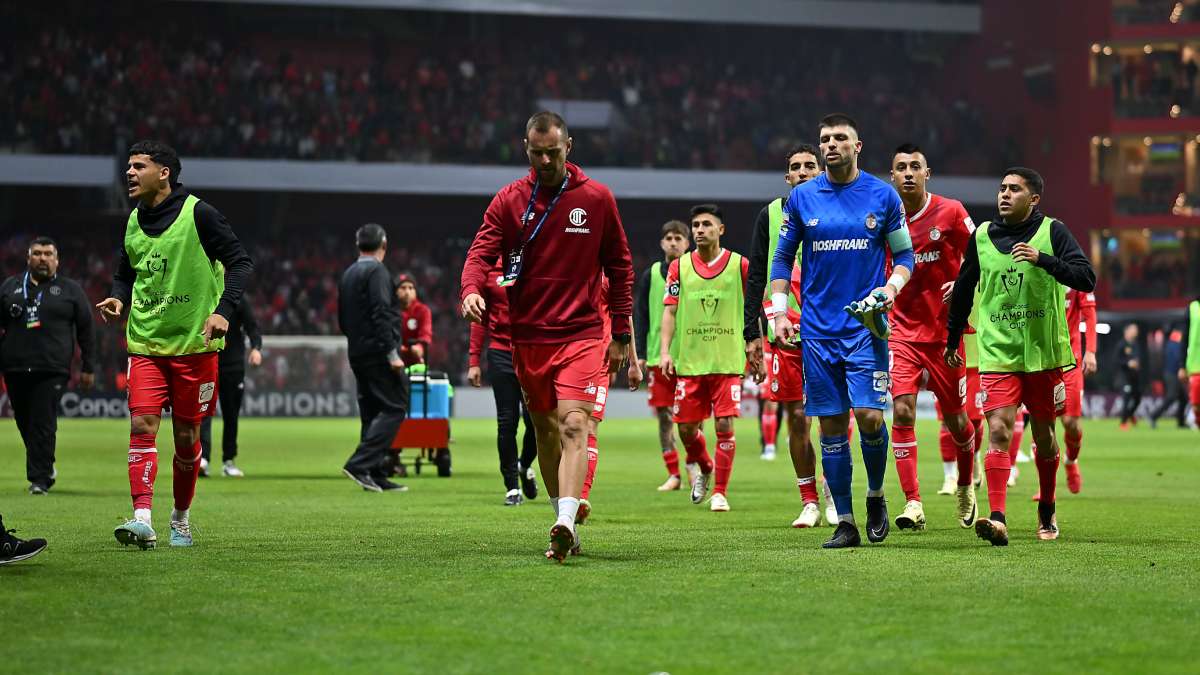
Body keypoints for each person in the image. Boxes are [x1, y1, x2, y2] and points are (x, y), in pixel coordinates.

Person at [460, 111, 634, 562]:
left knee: (575, 423)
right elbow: (480, 252)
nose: (544, 160)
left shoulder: (596, 198)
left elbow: (620, 266)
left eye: (552, 152)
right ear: (526, 149)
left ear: (568, 147)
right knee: (545, 431)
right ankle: (565, 518)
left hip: (580, 334)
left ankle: (565, 519)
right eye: (536, 153)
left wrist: (621, 332)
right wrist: (470, 290)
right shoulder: (508, 200)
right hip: (527, 338)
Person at [97, 140, 254, 549]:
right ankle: (142, 518)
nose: (129, 173)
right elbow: (124, 271)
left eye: (139, 166)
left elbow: (240, 261)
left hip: (195, 349)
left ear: (163, 172)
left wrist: (223, 311)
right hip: (146, 344)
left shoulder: (199, 214)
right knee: (142, 426)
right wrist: (118, 296)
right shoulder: (132, 219)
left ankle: (180, 518)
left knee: (187, 439)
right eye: (128, 166)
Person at [771, 113, 915, 549]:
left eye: (839, 139)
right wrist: (780, 313)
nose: (830, 145)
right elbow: (781, 260)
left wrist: (890, 289)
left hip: (865, 328)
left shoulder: (882, 195)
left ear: (858, 145)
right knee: (831, 427)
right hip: (816, 332)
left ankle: (875, 495)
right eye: (824, 140)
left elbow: (905, 258)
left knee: (870, 418)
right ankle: (846, 522)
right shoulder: (802, 199)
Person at [946, 167, 1096, 545]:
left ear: (1034, 199)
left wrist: (1044, 259)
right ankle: (997, 517)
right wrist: (952, 340)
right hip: (998, 353)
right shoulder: (981, 237)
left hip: (1043, 355)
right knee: (997, 428)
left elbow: (1086, 278)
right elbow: (963, 289)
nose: (1005, 194)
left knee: (1045, 436)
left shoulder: (1054, 232)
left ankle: (1047, 507)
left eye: (1015, 189)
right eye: (1002, 188)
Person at [886, 144, 979, 532]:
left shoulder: (952, 212)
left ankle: (964, 484)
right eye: (901, 168)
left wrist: (962, 282)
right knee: (902, 410)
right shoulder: (881, 217)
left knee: (958, 423)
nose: (908, 172)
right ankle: (913, 503)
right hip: (901, 333)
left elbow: (982, 254)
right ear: (892, 177)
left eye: (915, 167)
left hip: (945, 335)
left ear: (928, 173)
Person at [743, 144, 829, 528]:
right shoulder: (771, 215)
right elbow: (757, 273)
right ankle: (809, 499)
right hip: (786, 332)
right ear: (787, 177)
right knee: (797, 418)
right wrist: (752, 334)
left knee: (832, 419)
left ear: (821, 170)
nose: (804, 171)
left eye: (810, 166)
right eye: (796, 167)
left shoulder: (840, 209)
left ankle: (834, 495)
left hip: (830, 331)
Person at [661, 204, 749, 512]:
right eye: (696, 225)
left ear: (720, 230)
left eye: (706, 224)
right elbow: (669, 311)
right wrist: (664, 352)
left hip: (727, 361)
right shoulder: (680, 267)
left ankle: (720, 492)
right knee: (685, 429)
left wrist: (756, 346)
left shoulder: (740, 265)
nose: (699, 230)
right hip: (691, 362)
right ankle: (706, 466)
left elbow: (752, 310)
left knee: (724, 425)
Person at [1, 237, 96, 494]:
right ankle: (45, 465)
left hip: (52, 368)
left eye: (48, 254)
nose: (43, 258)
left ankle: (39, 479)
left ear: (57, 260)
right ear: (28, 258)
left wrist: (88, 366)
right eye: (37, 253)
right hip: (15, 367)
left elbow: (86, 329)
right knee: (24, 421)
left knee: (43, 421)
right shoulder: (10, 287)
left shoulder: (71, 290)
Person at [336, 223, 409, 493]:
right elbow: (381, 311)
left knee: (371, 411)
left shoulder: (348, 273)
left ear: (358, 246)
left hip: (357, 350)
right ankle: (360, 464)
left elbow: (342, 318)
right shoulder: (377, 271)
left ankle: (375, 473)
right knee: (396, 406)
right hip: (379, 352)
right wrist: (392, 353)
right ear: (384, 245)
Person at [468, 261, 539, 506]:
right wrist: (473, 360)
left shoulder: (535, 261)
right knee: (506, 422)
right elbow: (480, 319)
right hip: (501, 353)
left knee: (536, 421)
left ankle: (524, 465)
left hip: (532, 351)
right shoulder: (491, 271)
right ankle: (512, 487)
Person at [633, 220, 691, 491]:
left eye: (678, 238)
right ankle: (674, 474)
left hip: (689, 355)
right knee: (664, 416)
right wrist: (642, 353)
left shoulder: (694, 272)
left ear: (687, 243)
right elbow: (641, 314)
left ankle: (694, 469)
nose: (673, 242)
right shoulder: (652, 274)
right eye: (669, 238)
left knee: (691, 418)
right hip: (658, 356)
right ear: (662, 243)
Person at [1030, 288, 1097, 498]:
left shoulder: (1075, 270)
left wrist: (1091, 351)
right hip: (1041, 361)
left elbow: (1090, 315)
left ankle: (1070, 461)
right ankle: (1046, 484)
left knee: (1070, 423)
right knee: (1042, 425)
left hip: (1070, 362)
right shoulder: (1037, 264)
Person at [198, 299, 261, 478]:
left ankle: (228, 461)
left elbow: (252, 326)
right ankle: (203, 459)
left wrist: (256, 348)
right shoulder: (206, 293)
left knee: (231, 415)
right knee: (204, 413)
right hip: (207, 363)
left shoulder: (238, 299)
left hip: (233, 367)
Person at [1149, 325, 1189, 429]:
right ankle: (1153, 416)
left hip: (1174, 373)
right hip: (1172, 374)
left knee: (1183, 398)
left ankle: (1180, 422)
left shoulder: (1172, 343)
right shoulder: (1175, 344)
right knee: (1171, 397)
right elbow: (1179, 358)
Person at [395, 274, 432, 366]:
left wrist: (420, 347)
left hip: (414, 363)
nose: (407, 292)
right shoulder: (389, 310)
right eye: (403, 288)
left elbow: (425, 334)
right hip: (393, 362)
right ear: (395, 291)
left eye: (411, 288)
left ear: (415, 291)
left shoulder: (423, 310)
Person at [1116, 323, 1144, 430]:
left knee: (1138, 398)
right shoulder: (1121, 345)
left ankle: (1130, 414)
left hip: (1135, 377)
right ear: (1127, 331)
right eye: (1133, 329)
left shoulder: (1136, 344)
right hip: (1125, 377)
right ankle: (1123, 422)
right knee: (1126, 399)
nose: (1136, 332)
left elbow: (1139, 358)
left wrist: (1137, 364)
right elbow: (1117, 360)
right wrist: (1128, 363)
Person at [1184, 296, 1200, 427]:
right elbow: (1185, 339)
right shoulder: (1193, 308)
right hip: (1195, 364)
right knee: (1196, 401)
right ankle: (1195, 418)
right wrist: (1181, 366)